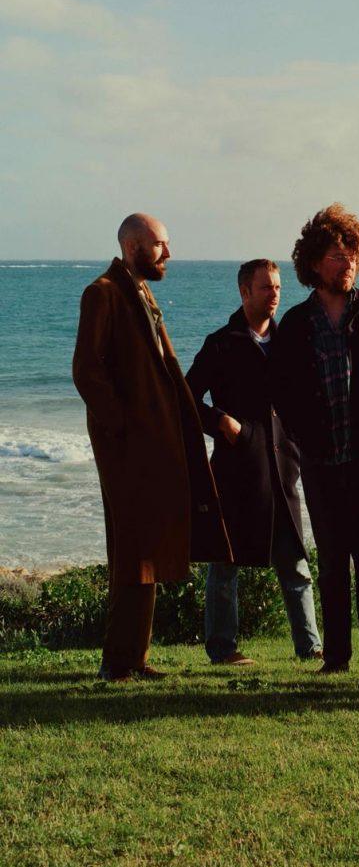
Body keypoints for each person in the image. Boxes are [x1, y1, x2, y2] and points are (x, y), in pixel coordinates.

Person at [72, 213, 232, 681]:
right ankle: (117, 661)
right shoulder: (102, 292)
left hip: (153, 445)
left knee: (147, 551)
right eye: (160, 245)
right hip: (128, 449)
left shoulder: (140, 291)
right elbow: (86, 371)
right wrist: (124, 428)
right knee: (131, 550)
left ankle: (133, 657)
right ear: (132, 246)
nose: (169, 253)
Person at [273, 204, 359, 678]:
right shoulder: (297, 322)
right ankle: (336, 658)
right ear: (315, 263)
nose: (348, 262)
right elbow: (280, 387)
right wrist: (298, 430)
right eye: (337, 255)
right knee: (332, 564)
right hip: (320, 460)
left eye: (353, 254)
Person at [186, 259, 323, 665]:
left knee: (295, 563)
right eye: (266, 287)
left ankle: (310, 646)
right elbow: (185, 398)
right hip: (235, 470)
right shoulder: (221, 343)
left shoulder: (290, 342)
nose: (275, 294)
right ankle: (222, 649)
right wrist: (221, 423)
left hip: (284, 469)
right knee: (225, 564)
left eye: (278, 286)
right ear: (245, 292)